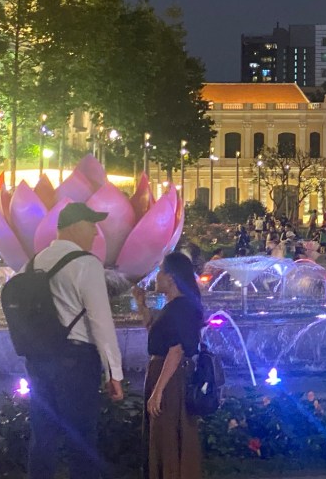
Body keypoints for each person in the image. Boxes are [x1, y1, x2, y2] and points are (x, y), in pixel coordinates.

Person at [27, 202, 125, 479]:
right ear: (74, 227)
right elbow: (100, 320)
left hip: (39, 359)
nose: (95, 232)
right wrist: (114, 372)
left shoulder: (33, 263)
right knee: (81, 438)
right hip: (76, 361)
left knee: (42, 436)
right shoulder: (86, 264)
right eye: (91, 225)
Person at [133, 252, 204, 479]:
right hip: (166, 374)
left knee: (168, 433)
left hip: (171, 378)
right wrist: (141, 304)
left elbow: (176, 350)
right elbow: (156, 334)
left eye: (161, 271)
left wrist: (158, 391)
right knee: (164, 432)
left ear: (171, 278)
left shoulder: (181, 307)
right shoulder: (174, 305)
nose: (157, 276)